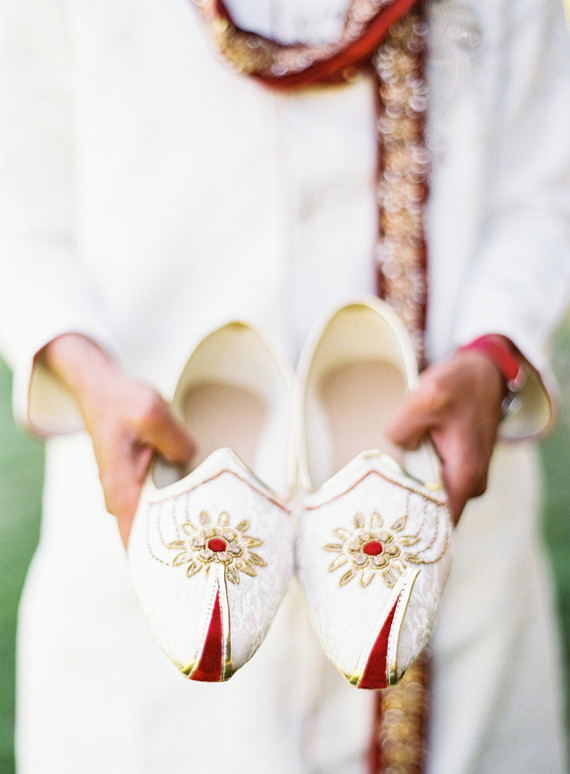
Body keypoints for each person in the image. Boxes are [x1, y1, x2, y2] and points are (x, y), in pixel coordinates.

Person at [0, 0, 569, 772]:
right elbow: (19, 204)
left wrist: (496, 350)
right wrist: (82, 370)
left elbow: (545, 181)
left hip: (454, 521)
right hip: (151, 500)